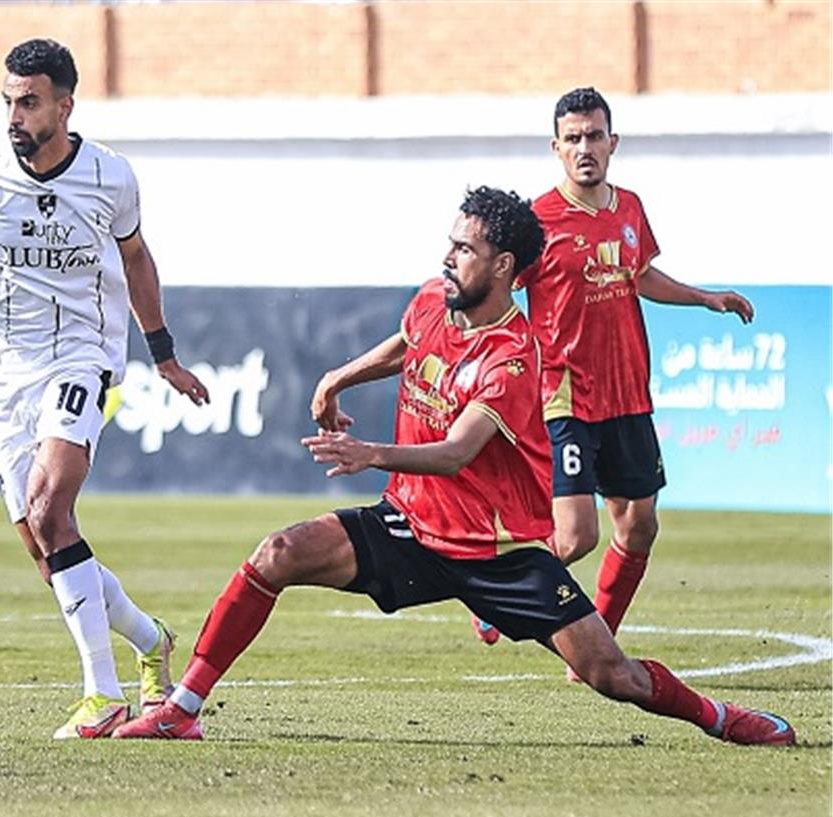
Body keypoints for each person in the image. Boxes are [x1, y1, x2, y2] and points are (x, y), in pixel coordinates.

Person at [111, 186, 794, 746]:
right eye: (451, 242)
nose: (448, 257)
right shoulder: (436, 300)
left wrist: (371, 452)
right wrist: (338, 379)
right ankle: (182, 708)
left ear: (501, 268)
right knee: (278, 553)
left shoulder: (514, 357)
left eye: (464, 249)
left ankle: (722, 719)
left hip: (495, 554)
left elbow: (458, 451)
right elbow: (408, 343)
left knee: (611, 674)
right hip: (408, 525)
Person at [0, 38, 210, 739]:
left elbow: (136, 259)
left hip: (80, 354)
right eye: (7, 100)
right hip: (0, 371)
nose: (14, 115)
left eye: (28, 102)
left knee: (49, 503)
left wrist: (163, 354)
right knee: (44, 542)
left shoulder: (109, 176)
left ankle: (104, 695)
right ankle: (150, 638)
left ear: (64, 106)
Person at [471, 87, 756, 653]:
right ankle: (495, 595)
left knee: (640, 526)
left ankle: (597, 646)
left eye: (594, 136)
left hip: (628, 392)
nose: (585, 148)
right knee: (576, 537)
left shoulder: (629, 208)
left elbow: (640, 276)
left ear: (612, 142)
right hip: (566, 395)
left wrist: (705, 298)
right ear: (556, 147)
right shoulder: (536, 222)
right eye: (573, 138)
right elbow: (499, 291)